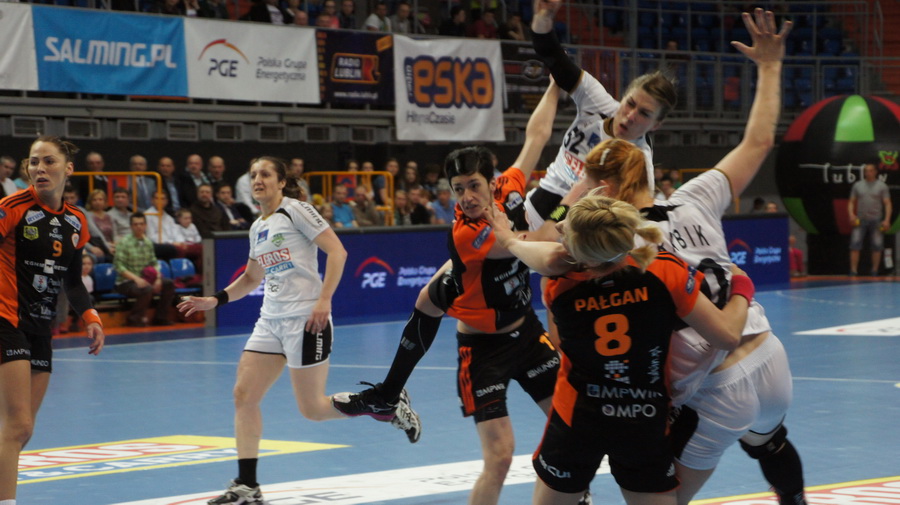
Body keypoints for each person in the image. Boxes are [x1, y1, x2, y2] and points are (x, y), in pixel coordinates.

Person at [544, 11, 806, 505]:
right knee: (768, 441)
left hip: (714, 382)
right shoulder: (697, 194)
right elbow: (758, 142)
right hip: (770, 354)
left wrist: (561, 204)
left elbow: (550, 254)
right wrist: (771, 68)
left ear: (607, 187)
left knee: (657, 499)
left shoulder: (621, 241)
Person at [333, 82, 560, 505]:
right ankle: (388, 394)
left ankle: (388, 393)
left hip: (527, 334)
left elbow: (537, 135)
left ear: (491, 181)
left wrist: (554, 83)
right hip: (484, 350)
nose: (467, 197)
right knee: (500, 458)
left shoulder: (509, 186)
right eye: (458, 189)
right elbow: (535, 245)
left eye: (474, 185)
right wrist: (576, 196)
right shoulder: (468, 232)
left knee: (569, 427)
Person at [177, 156, 418, 505]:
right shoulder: (256, 227)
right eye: (253, 175)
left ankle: (383, 402)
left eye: (265, 174)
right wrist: (215, 299)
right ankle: (247, 486)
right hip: (270, 321)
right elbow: (252, 277)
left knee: (313, 409)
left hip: (306, 319)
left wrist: (324, 300)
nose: (258, 180)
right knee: (243, 395)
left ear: (280, 182)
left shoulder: (297, 211)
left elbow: (337, 252)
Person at [492, 195, 751, 505]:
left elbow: (557, 328)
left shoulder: (557, 285)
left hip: (578, 417)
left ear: (579, 251)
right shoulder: (663, 270)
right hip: (643, 419)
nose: (559, 228)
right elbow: (727, 336)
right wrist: (742, 287)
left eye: (566, 229)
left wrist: (509, 240)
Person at [0, 136, 105, 504]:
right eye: (34, 162)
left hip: (41, 327)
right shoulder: (12, 207)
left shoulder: (77, 220)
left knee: (22, 430)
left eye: (49, 161)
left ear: (68, 168)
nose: (40, 169)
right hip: (6, 319)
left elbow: (72, 281)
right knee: (17, 424)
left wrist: (90, 316)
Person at [525, 0, 677, 231]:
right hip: (536, 203)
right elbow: (550, 53)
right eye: (630, 104)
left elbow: (633, 225)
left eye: (644, 114)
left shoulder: (639, 165)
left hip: (570, 226)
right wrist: (544, 17)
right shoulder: (595, 98)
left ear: (656, 125)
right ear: (623, 97)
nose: (630, 116)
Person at [115, 212, 177, 326]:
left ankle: (160, 317)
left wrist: (158, 278)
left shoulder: (148, 242)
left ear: (145, 225)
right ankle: (134, 319)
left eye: (141, 224)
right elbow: (118, 266)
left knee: (168, 284)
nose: (139, 227)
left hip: (145, 279)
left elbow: (154, 263)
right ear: (131, 226)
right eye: (136, 224)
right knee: (146, 289)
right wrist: (136, 279)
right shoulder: (124, 243)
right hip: (125, 282)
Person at [848, 162, 891, 276]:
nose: (868, 173)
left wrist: (887, 220)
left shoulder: (882, 186)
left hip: (876, 219)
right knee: (855, 245)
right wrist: (851, 215)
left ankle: (875, 270)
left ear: (875, 172)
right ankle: (853, 271)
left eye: (870, 170)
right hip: (860, 219)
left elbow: (887, 203)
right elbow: (851, 202)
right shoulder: (857, 185)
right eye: (866, 171)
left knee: (877, 246)